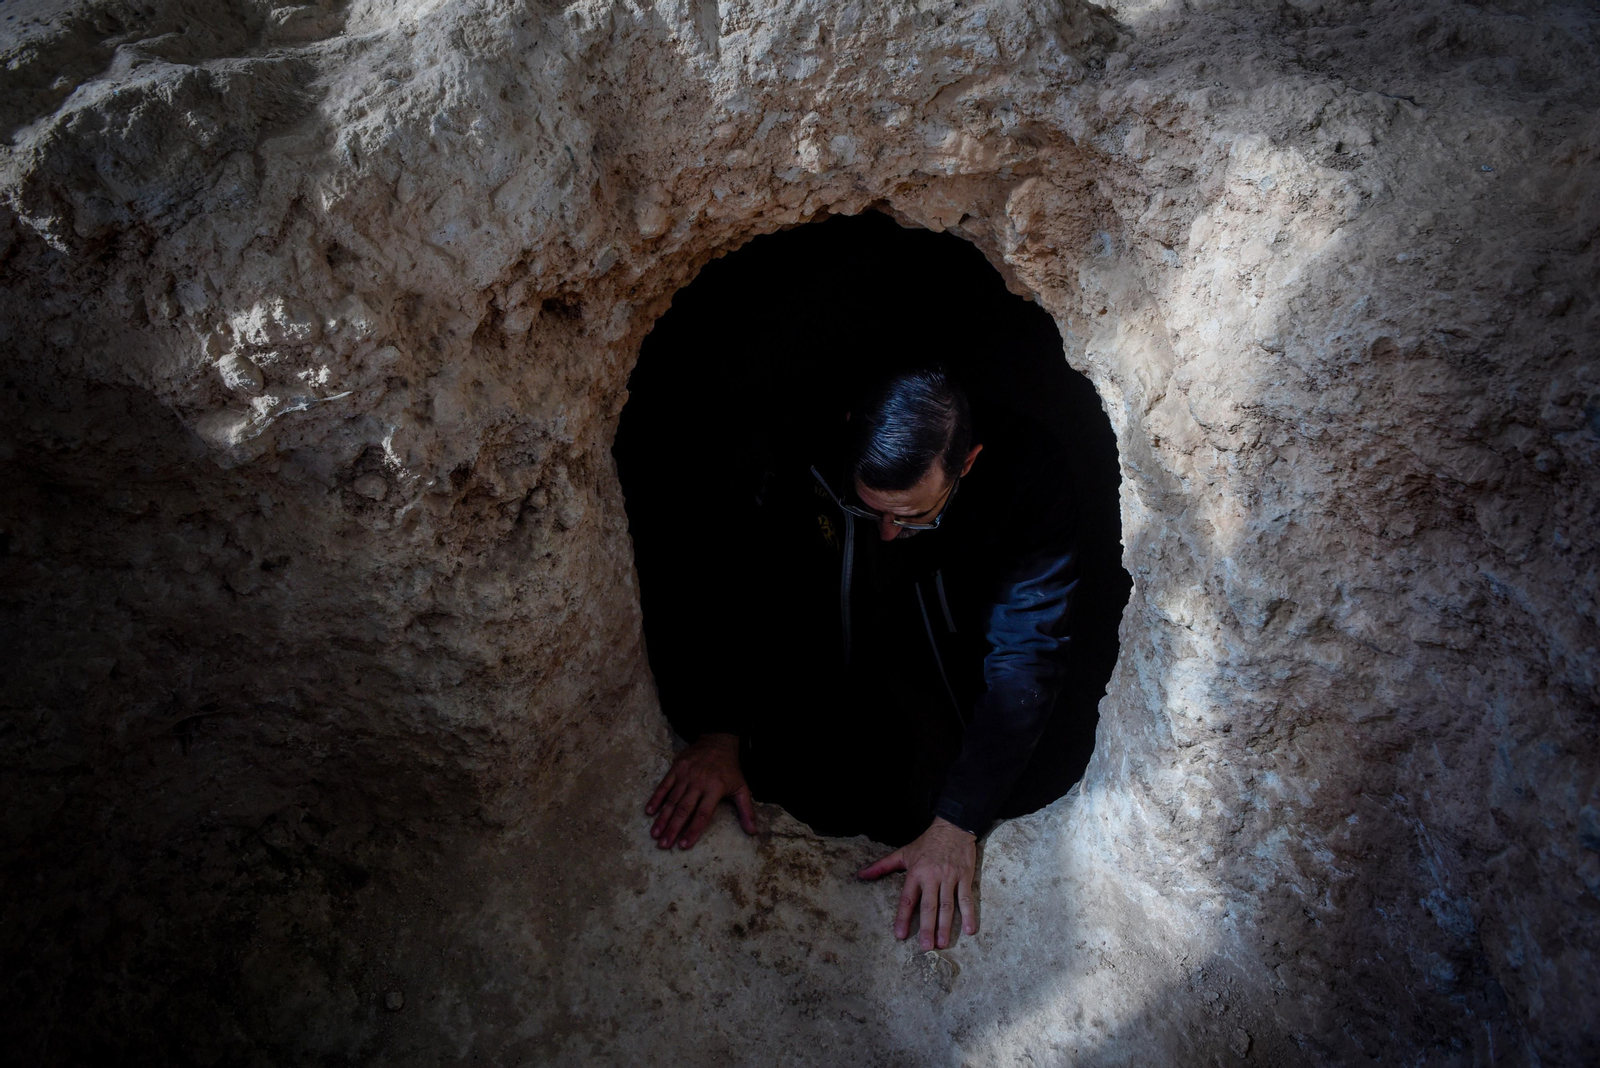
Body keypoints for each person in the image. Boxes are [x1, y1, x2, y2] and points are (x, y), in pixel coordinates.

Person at [643, 367, 1084, 952]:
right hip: (817, 652)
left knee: (923, 776)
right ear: (850, 431)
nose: (887, 533)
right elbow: (744, 575)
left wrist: (958, 821)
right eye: (870, 508)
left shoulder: (1029, 476)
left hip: (948, 666)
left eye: (913, 516)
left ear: (969, 463)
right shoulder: (803, 438)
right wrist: (720, 729)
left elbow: (1027, 654)